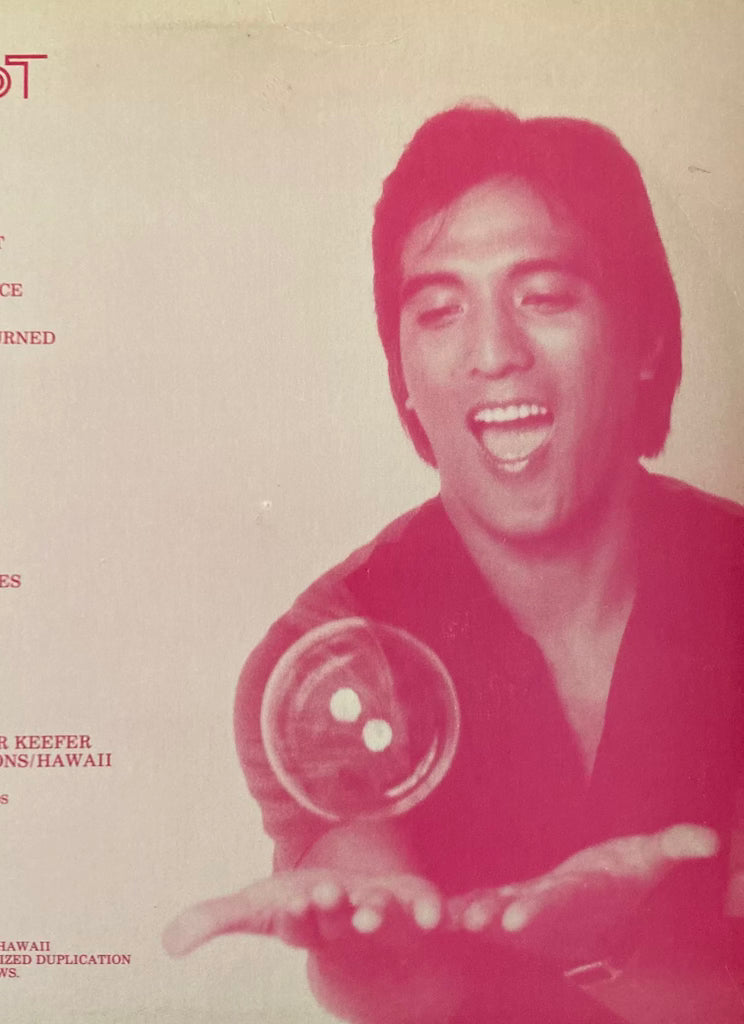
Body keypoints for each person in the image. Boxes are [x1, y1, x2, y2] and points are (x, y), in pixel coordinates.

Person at [164, 106, 744, 1022]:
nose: (494, 354)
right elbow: (395, 963)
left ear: (646, 338)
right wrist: (382, 957)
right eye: (439, 311)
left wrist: (619, 953)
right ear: (402, 376)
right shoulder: (327, 657)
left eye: (544, 297)